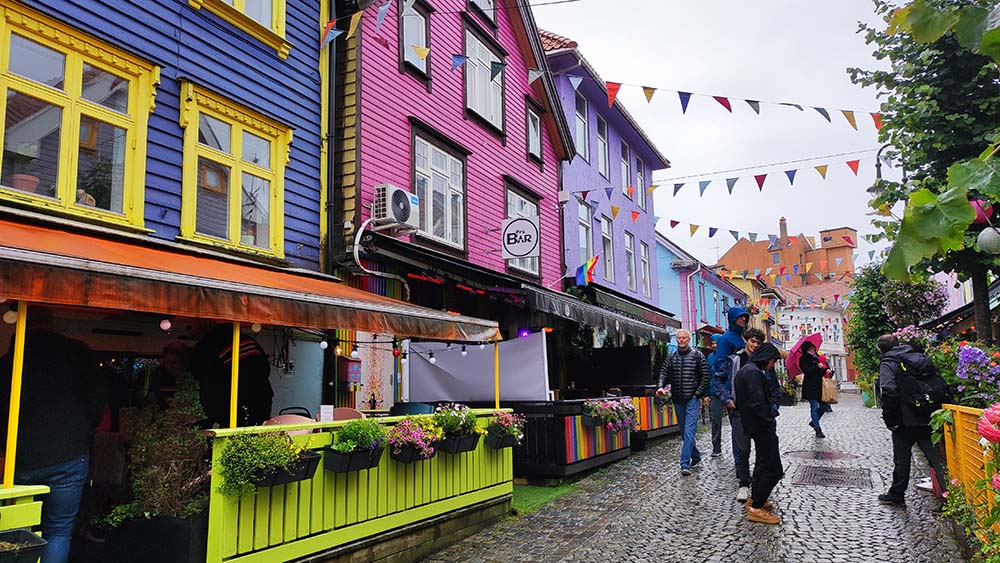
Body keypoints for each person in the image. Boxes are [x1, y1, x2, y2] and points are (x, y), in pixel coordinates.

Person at [0, 309, 105, 563]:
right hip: (68, 452)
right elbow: (96, 402)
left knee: (15, 530)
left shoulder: (8, 362)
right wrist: (83, 431)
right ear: (52, 323)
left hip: (18, 457)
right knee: (58, 529)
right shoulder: (77, 355)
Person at [876, 334, 950, 507]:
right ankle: (950, 499)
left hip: (904, 419)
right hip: (927, 415)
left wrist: (890, 420)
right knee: (936, 459)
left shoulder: (888, 363)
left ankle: (896, 495)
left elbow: (888, 391)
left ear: (881, 349)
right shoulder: (919, 358)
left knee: (902, 459)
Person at [734, 342, 785, 524]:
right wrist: (769, 420)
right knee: (773, 468)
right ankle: (756, 507)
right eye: (773, 361)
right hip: (762, 426)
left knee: (762, 465)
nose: (773, 365)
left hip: (753, 426)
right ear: (766, 358)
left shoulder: (746, 371)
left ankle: (756, 500)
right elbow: (757, 402)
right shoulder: (754, 373)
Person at [191, 322, 274, 428]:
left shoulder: (210, 345)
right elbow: (264, 369)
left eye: (194, 323)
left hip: (232, 407)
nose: (190, 328)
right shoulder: (245, 341)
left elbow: (203, 377)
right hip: (256, 402)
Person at [715, 327, 764, 502]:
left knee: (763, 449)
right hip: (738, 410)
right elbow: (718, 380)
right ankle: (743, 483)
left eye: (758, 343)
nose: (755, 345)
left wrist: (772, 408)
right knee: (743, 449)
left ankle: (759, 483)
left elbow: (773, 386)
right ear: (746, 341)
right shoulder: (734, 360)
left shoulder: (763, 361)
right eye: (753, 341)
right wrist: (727, 399)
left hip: (759, 412)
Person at [658, 329, 710, 476]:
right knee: (683, 431)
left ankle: (684, 463)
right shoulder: (672, 357)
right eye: (679, 338)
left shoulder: (697, 355)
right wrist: (660, 386)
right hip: (677, 398)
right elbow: (663, 372)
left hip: (692, 399)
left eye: (684, 338)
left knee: (689, 431)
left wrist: (697, 394)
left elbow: (705, 376)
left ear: (688, 339)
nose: (681, 340)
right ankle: (696, 456)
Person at [799, 341, 831, 438]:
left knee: (824, 406)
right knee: (814, 407)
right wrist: (817, 367)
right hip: (810, 387)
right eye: (810, 348)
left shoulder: (816, 358)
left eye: (813, 348)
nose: (812, 350)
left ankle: (814, 422)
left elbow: (820, 371)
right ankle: (818, 429)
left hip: (819, 386)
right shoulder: (803, 359)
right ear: (806, 349)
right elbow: (806, 371)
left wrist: (826, 370)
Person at [705, 334, 724, 457]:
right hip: (714, 392)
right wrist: (706, 394)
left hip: (727, 391)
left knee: (735, 420)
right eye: (712, 343)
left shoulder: (727, 355)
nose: (714, 345)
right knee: (715, 420)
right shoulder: (710, 357)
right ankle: (716, 448)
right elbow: (707, 376)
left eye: (716, 343)